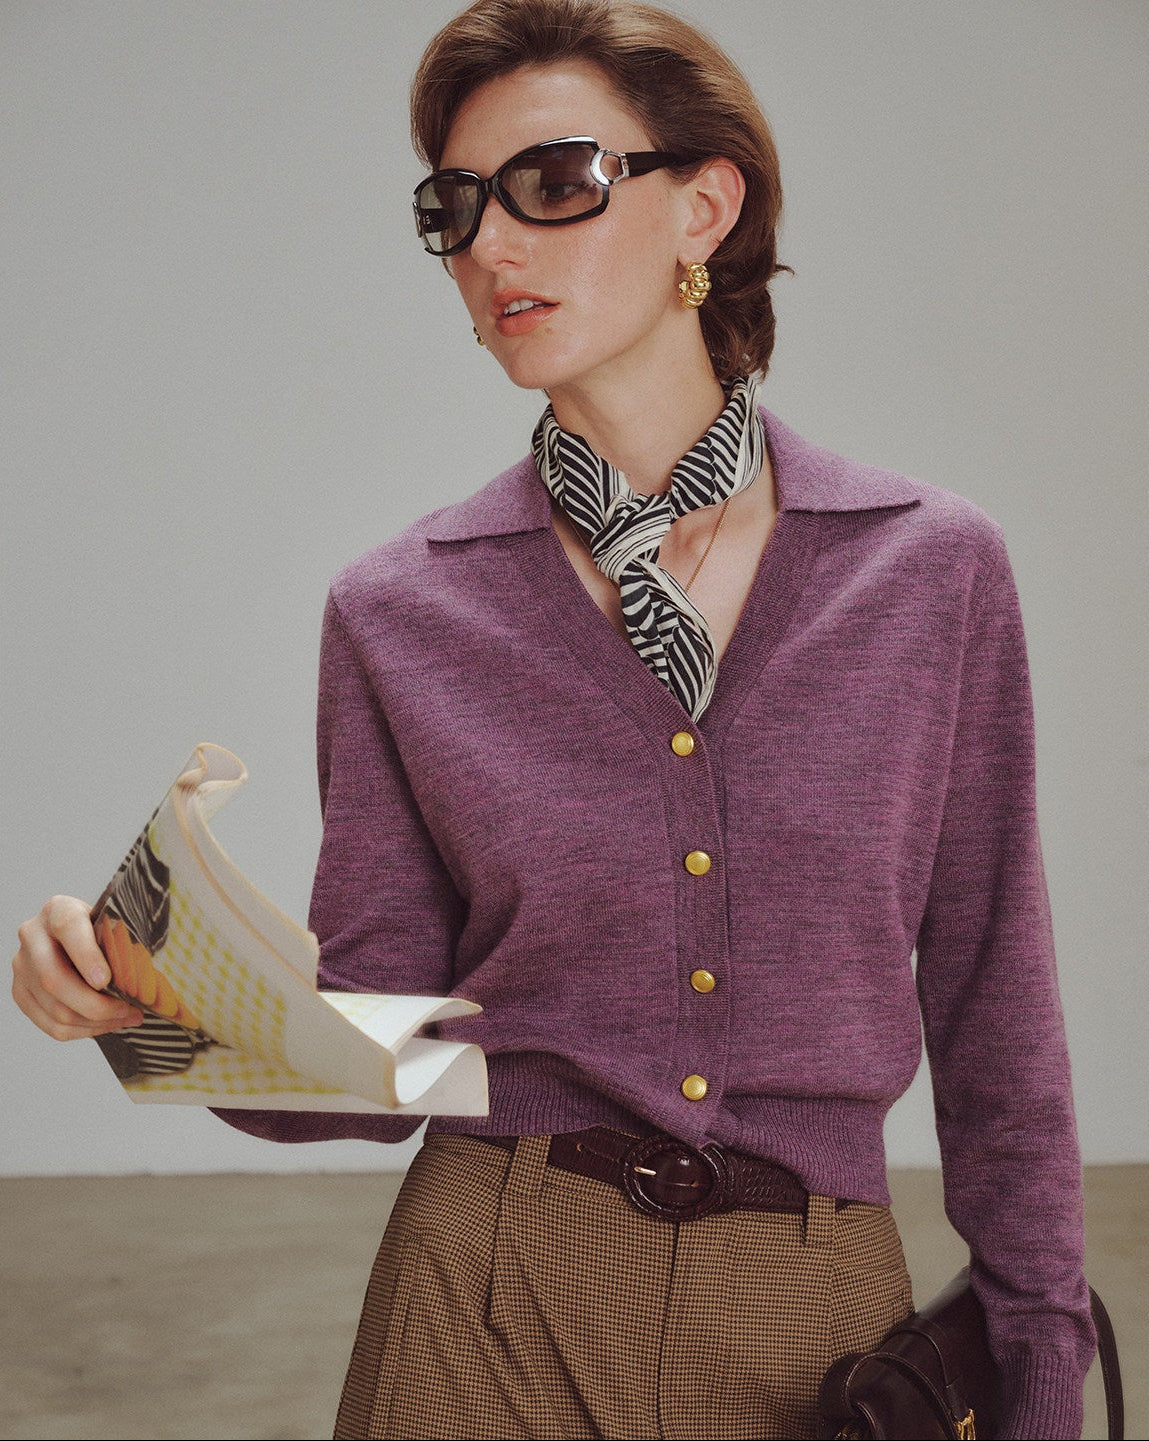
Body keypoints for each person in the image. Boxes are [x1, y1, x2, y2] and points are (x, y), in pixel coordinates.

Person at [11, 1, 1096, 1436]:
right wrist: (154, 1017)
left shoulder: (927, 569)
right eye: (453, 209)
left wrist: (1037, 1368)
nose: (490, 248)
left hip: (817, 1312)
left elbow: (992, 1000)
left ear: (703, 204)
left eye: (553, 184)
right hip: (485, 1302)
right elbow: (385, 1048)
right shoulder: (398, 608)